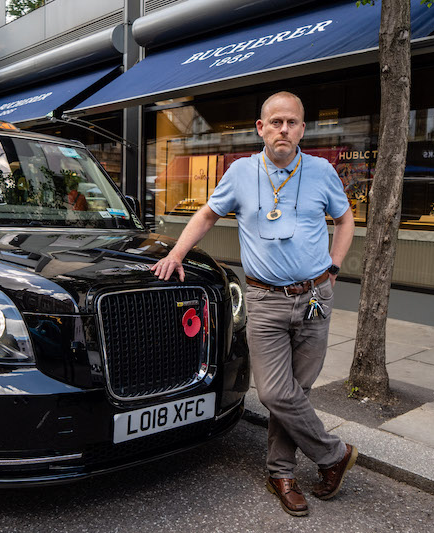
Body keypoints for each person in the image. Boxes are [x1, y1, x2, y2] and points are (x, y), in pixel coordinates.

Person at [151, 91, 357, 517]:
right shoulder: (241, 172)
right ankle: (333, 454)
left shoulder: (320, 171)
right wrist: (176, 254)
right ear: (260, 128)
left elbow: (345, 218)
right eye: (276, 122)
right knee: (274, 392)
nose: (285, 129)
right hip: (265, 300)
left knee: (296, 392)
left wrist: (335, 267)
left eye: (293, 122)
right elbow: (207, 214)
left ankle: (281, 473)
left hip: (316, 297)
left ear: (303, 129)